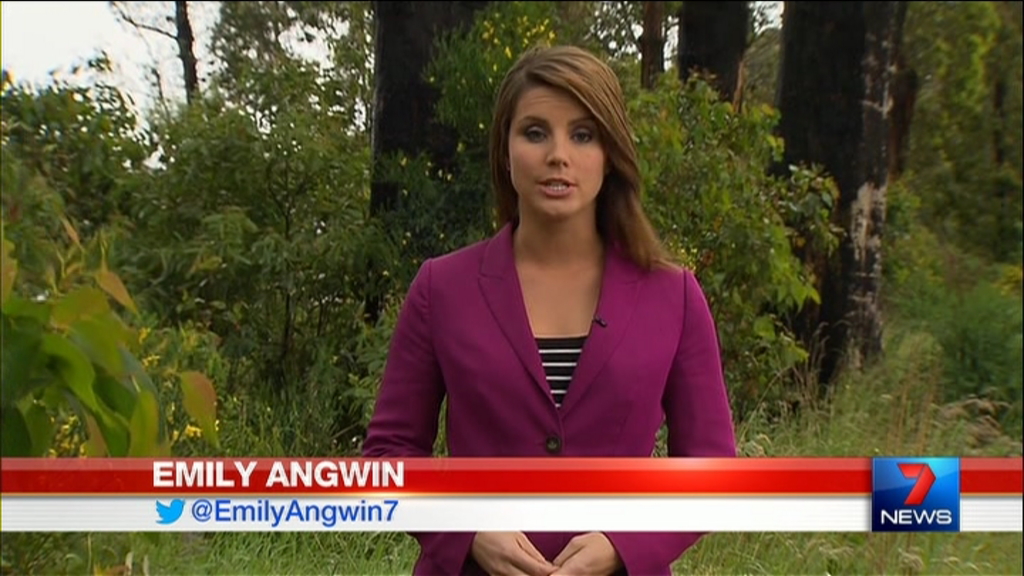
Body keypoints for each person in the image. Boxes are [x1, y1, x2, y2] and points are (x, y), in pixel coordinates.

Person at [362, 44, 736, 576]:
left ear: (610, 153)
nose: (558, 154)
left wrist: (625, 544)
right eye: (535, 132)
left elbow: (712, 469)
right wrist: (464, 528)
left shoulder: (673, 295)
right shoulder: (441, 288)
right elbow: (388, 457)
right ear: (504, 150)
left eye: (582, 135)